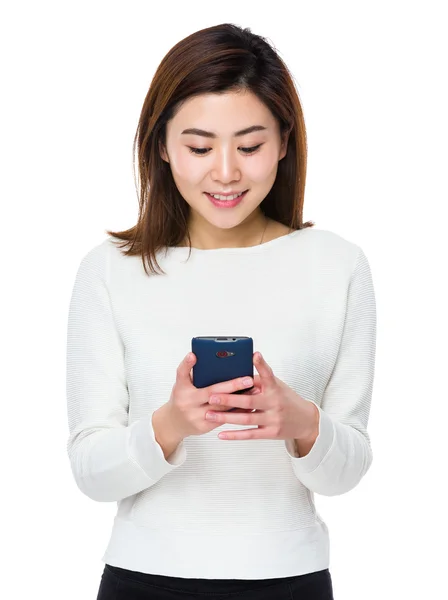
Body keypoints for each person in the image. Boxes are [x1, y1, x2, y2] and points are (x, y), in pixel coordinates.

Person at [66, 23, 376, 600]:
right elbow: (90, 470)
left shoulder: (337, 265)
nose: (227, 172)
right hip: (144, 580)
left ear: (284, 142)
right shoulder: (111, 269)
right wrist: (171, 425)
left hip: (290, 580)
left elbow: (349, 470)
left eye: (251, 145)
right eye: (200, 147)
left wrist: (302, 423)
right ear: (162, 145)